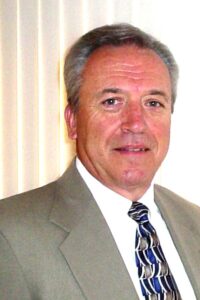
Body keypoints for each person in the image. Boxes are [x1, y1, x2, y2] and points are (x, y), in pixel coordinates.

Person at [0, 23, 199, 300]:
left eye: (153, 103)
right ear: (73, 121)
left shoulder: (195, 222)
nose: (135, 124)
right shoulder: (9, 235)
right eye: (112, 101)